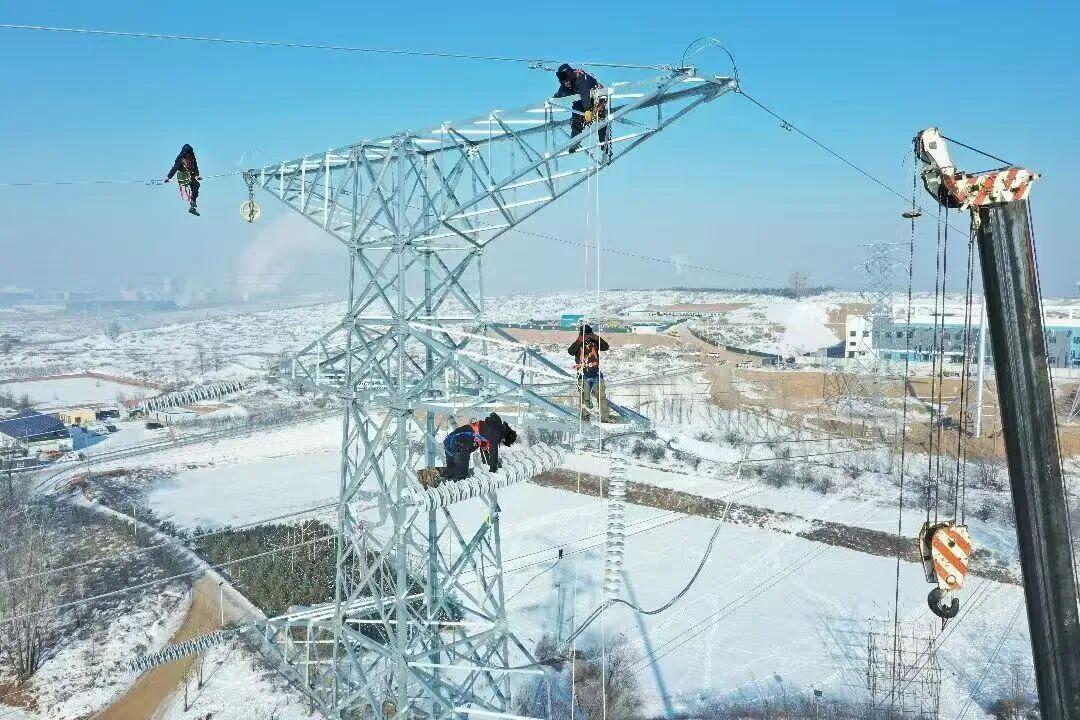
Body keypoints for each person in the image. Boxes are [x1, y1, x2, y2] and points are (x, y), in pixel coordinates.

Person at [553, 64, 611, 160]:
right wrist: (555, 98)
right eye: (563, 81)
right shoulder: (565, 82)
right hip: (581, 101)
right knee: (576, 118)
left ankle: (605, 146)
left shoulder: (581, 78)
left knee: (600, 120)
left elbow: (584, 93)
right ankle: (575, 141)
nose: (566, 83)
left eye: (566, 81)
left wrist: (587, 110)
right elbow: (561, 92)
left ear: (570, 76)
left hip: (596, 99)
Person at [441, 412, 518, 480]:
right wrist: (493, 470)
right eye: (502, 442)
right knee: (462, 472)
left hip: (451, 441)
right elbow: (493, 451)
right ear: (505, 438)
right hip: (459, 442)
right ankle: (437, 473)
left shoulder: (491, 427)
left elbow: (485, 451)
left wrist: (490, 464)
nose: (500, 443)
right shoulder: (496, 431)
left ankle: (439, 478)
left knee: (452, 471)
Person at [568, 324, 617, 422]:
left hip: (596, 374)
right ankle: (585, 418)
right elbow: (571, 351)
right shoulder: (578, 344)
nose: (587, 337)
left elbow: (605, 347)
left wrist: (596, 338)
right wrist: (579, 341)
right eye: (586, 335)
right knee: (585, 398)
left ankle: (605, 417)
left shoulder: (595, 342)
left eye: (589, 335)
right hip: (583, 374)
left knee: (601, 397)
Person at [164, 144, 202, 216]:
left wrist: (197, 175)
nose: (188, 154)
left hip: (191, 175)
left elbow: (196, 167)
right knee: (188, 188)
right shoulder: (180, 159)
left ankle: (192, 206)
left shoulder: (193, 157)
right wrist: (168, 177)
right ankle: (192, 202)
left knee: (196, 185)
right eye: (187, 153)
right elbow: (174, 168)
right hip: (183, 176)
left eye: (189, 152)